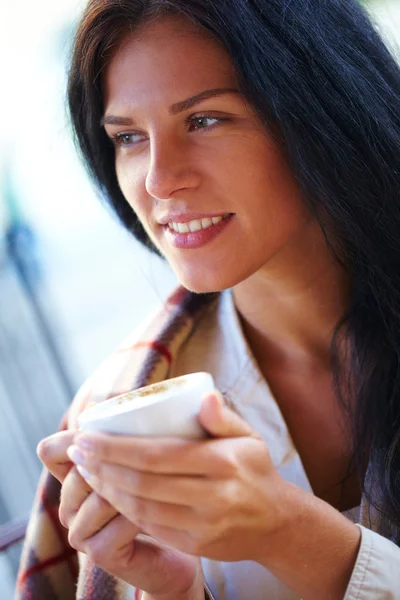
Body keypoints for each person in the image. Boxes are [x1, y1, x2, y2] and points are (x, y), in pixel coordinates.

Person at [15, 0, 400, 598]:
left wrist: (290, 534)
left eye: (204, 120)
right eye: (128, 137)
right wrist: (174, 592)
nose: (159, 180)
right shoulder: (117, 409)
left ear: (324, 108)